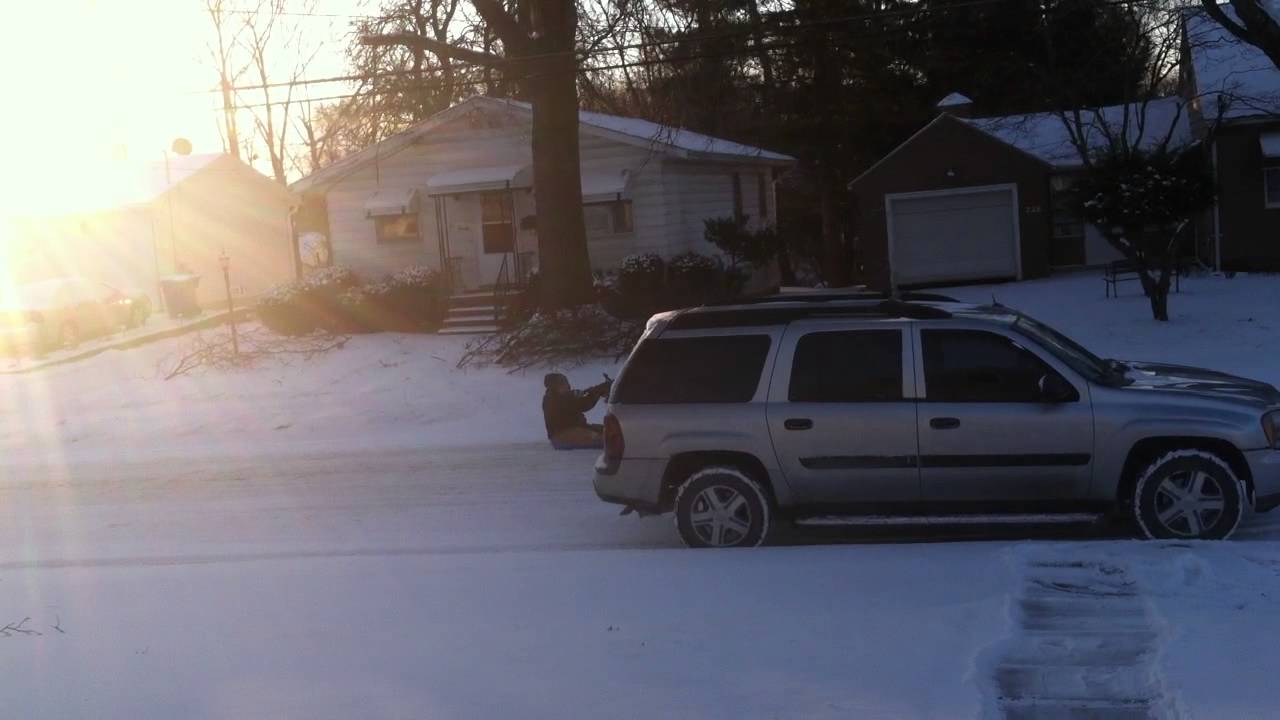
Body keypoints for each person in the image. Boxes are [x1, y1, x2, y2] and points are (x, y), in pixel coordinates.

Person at [542, 372, 611, 450]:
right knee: (607, 439)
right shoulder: (554, 399)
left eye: (565, 382)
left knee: (609, 430)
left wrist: (596, 392)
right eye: (562, 382)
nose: (566, 385)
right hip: (563, 436)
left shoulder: (559, 398)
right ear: (554, 387)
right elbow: (584, 405)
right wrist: (596, 392)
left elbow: (580, 402)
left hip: (575, 430)